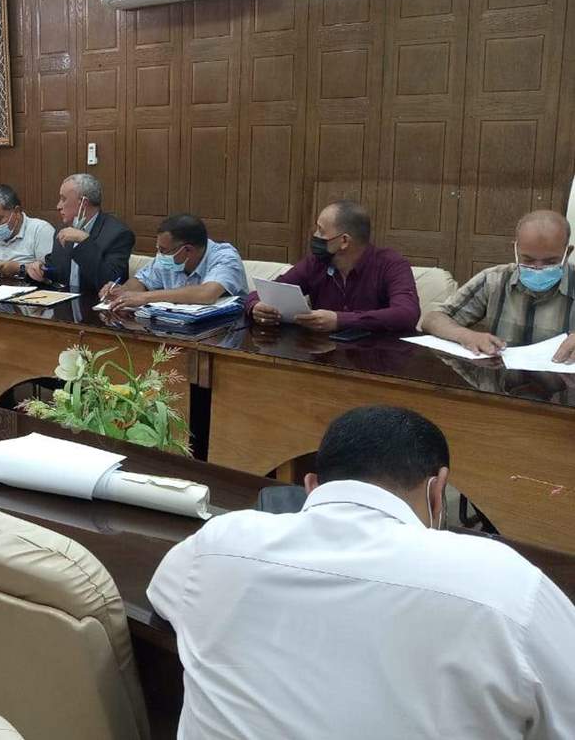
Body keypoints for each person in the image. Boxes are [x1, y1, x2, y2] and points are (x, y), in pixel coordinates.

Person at [147, 405, 575, 738]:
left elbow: (162, 597)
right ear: (438, 490)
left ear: (311, 486)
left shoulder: (220, 543)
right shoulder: (505, 584)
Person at [244, 200, 420, 334]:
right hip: (322, 355)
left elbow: (406, 314)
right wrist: (256, 306)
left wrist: (339, 320)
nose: (315, 235)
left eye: (321, 231)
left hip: (377, 358)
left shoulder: (391, 264)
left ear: (344, 241)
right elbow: (266, 291)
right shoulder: (315, 263)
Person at [422, 210, 575, 363]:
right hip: (501, 375)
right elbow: (433, 319)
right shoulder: (494, 280)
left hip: (561, 375)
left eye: (550, 262)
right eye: (528, 260)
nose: (538, 269)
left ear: (567, 253)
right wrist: (466, 335)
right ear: (515, 250)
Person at [100, 214, 247, 310]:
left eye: (163, 250)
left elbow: (207, 293)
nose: (160, 255)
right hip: (173, 328)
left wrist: (144, 297)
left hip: (223, 334)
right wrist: (122, 291)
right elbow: (142, 281)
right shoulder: (167, 258)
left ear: (188, 250)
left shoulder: (225, 257)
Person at [25, 173, 134, 294]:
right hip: (65, 302)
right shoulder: (63, 229)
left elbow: (109, 281)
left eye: (63, 199)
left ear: (83, 203)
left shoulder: (118, 234)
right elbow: (56, 270)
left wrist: (84, 242)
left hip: (97, 303)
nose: (58, 206)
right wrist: (39, 269)